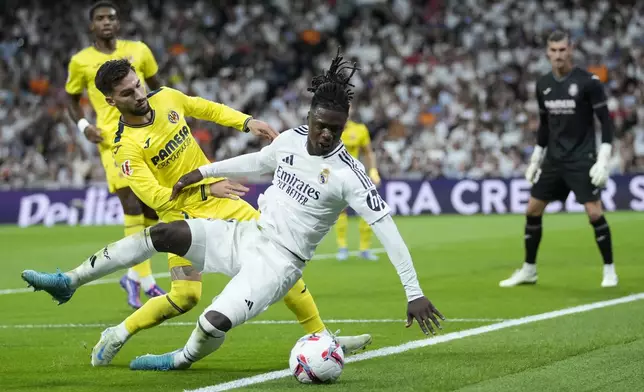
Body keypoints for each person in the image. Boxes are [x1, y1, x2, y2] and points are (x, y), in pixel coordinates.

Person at [21, 58, 372, 367]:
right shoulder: (124, 148)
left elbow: (207, 108)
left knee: (280, 263)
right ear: (111, 102)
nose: (139, 95)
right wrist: (205, 187)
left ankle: (323, 339)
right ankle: (118, 333)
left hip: (223, 203)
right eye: (127, 94)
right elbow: (158, 199)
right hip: (181, 215)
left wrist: (246, 122)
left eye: (137, 85)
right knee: (186, 297)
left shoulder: (167, 98)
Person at [119, 48, 442, 370]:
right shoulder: (291, 139)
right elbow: (259, 161)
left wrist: (414, 293)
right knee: (168, 243)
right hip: (251, 236)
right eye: (320, 125)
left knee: (212, 321)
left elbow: (388, 230)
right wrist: (205, 172)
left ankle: (179, 359)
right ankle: (111, 314)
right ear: (308, 118)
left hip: (282, 261)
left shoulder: (349, 175)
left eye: (336, 128)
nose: (327, 134)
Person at [499, 30, 617, 288]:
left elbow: (606, 123)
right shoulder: (543, 84)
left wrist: (603, 159)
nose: (558, 56)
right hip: (553, 159)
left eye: (562, 50)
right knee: (532, 209)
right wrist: (535, 159)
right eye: (553, 51)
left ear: (571, 50)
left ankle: (609, 269)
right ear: (547, 52)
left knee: (594, 212)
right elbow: (545, 126)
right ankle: (529, 270)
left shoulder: (589, 82)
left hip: (581, 158)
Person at [66, 1, 164, 308]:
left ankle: (138, 278)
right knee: (132, 204)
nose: (107, 22)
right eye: (100, 18)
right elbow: (70, 98)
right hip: (112, 143)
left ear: (118, 23)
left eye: (111, 17)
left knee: (151, 212)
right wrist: (84, 126)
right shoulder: (81, 61)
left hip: (145, 137)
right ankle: (143, 280)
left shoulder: (139, 50)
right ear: (91, 26)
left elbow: (157, 89)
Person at [335, 104, 382, 261]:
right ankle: (342, 247)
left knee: (367, 210)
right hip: (336, 176)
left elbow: (368, 152)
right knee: (340, 211)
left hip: (357, 176)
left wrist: (373, 171)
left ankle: (365, 249)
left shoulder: (360, 129)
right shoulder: (330, 130)